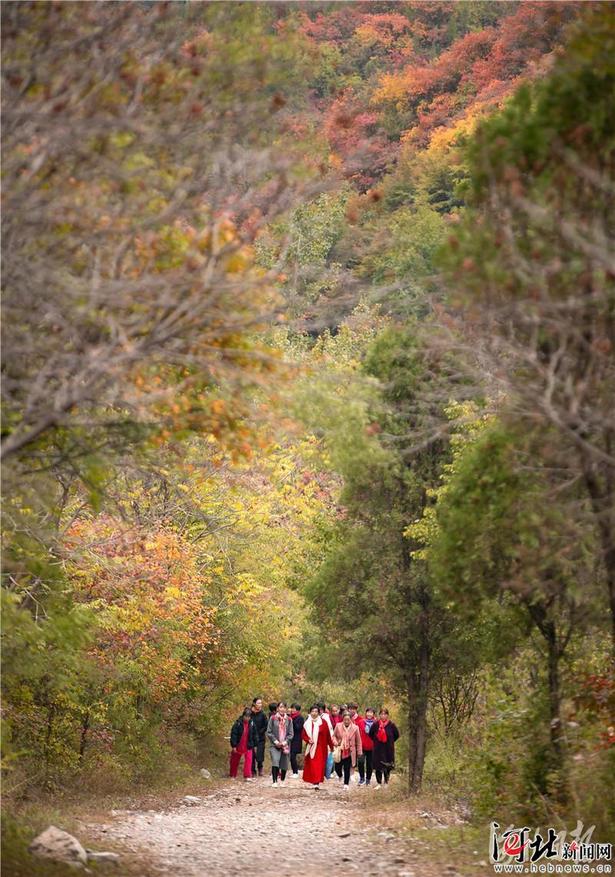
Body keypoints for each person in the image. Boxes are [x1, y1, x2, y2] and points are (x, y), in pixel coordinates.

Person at [302, 704, 333, 790]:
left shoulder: (323, 722)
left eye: (316, 711)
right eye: (312, 711)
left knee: (318, 765)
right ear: (310, 712)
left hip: (321, 747)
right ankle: (314, 780)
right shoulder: (307, 723)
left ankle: (317, 782)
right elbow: (303, 735)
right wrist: (308, 740)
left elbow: (328, 736)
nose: (314, 713)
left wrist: (331, 746)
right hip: (311, 747)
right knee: (312, 765)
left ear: (319, 713)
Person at [369, 708, 399, 787]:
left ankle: (386, 782)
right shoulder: (376, 724)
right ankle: (379, 782)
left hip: (388, 748)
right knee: (378, 765)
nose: (383, 716)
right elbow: (370, 734)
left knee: (387, 765)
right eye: (381, 714)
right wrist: (376, 741)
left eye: (385, 714)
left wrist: (390, 741)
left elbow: (397, 735)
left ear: (387, 715)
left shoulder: (391, 725)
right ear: (379, 715)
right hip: (378, 748)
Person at [333, 710, 363, 789]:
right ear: (342, 719)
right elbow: (333, 736)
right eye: (345, 719)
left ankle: (346, 784)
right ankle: (340, 775)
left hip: (350, 751)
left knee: (347, 768)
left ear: (351, 720)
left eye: (348, 720)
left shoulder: (355, 728)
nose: (346, 721)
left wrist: (359, 751)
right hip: (340, 750)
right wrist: (336, 742)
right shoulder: (338, 726)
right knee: (337, 767)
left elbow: (358, 741)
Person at [266, 701, 293, 786]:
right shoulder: (273, 718)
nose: (282, 709)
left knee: (284, 763)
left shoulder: (289, 719)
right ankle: (274, 781)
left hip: (285, 745)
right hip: (275, 745)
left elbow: (291, 733)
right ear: (277, 708)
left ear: (286, 709)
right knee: (275, 761)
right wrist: (275, 741)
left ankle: (282, 780)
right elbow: (269, 732)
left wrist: (285, 742)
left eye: (284, 707)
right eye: (280, 707)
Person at [229, 707, 258, 781]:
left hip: (248, 744)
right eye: (246, 716)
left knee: (249, 760)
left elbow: (255, 734)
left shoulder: (251, 724)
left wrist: (255, 744)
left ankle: (247, 775)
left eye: (249, 717)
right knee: (234, 760)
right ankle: (232, 774)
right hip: (239, 744)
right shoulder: (238, 723)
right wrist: (234, 745)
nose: (247, 718)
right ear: (243, 716)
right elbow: (234, 735)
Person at [356, 707, 376, 786]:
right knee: (360, 762)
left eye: (371, 713)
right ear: (366, 713)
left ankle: (368, 779)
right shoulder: (361, 722)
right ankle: (361, 778)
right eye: (368, 712)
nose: (369, 714)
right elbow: (357, 733)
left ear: (373, 714)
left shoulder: (376, 723)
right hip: (362, 746)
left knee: (369, 764)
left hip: (372, 746)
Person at [250, 697, 269, 778]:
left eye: (261, 703)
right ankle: (252, 770)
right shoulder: (249, 713)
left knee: (260, 753)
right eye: (258, 703)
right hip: (251, 737)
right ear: (254, 704)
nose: (260, 705)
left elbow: (266, 725)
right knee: (252, 754)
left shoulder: (263, 714)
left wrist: (261, 731)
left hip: (261, 737)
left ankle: (260, 768)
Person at [318, 702, 335, 780]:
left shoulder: (326, 717)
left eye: (322, 709)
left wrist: (331, 739)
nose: (320, 711)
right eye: (319, 709)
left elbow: (330, 728)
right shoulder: (313, 716)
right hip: (317, 740)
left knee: (328, 757)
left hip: (325, 740)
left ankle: (328, 772)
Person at [289, 703, 304, 778]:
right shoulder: (289, 717)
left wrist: (292, 721)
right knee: (290, 755)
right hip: (289, 739)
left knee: (292, 755)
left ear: (297, 710)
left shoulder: (300, 718)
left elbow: (298, 728)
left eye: (294, 708)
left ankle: (295, 772)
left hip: (297, 739)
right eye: (292, 708)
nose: (292, 710)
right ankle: (294, 771)